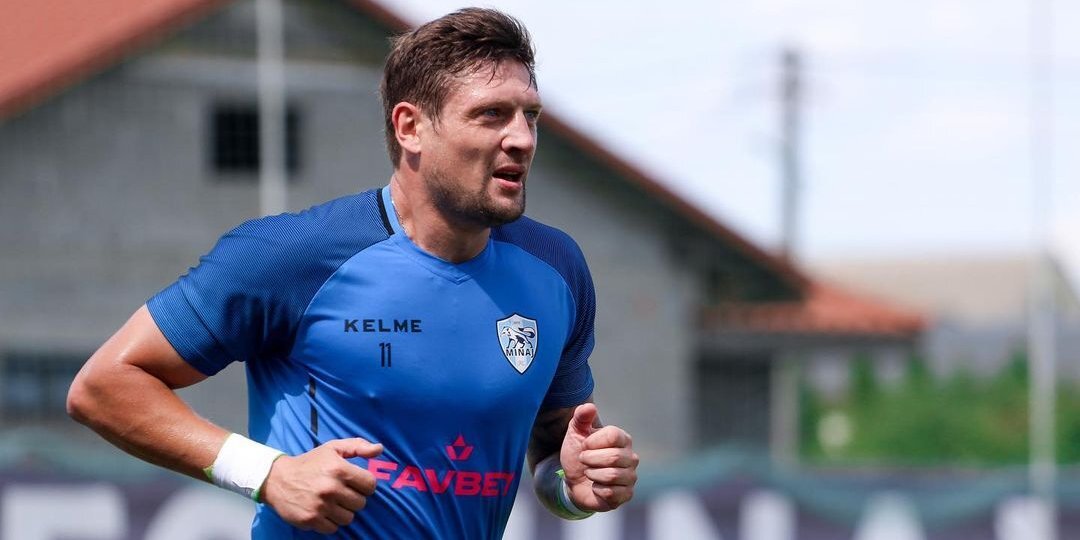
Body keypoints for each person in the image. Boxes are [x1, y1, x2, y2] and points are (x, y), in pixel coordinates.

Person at [67, 7, 638, 538]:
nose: (522, 139)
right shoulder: (290, 256)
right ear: (411, 127)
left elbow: (551, 450)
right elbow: (104, 386)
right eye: (492, 115)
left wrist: (573, 488)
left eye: (529, 115)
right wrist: (267, 473)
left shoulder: (556, 269)